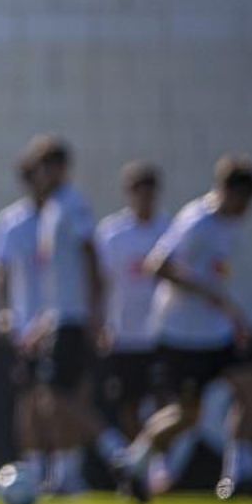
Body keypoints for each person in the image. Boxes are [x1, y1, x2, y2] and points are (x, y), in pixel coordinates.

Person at [115, 155, 252, 502]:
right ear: (229, 192)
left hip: (216, 334)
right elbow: (158, 266)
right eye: (244, 199)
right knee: (187, 416)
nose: (247, 208)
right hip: (181, 335)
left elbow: (220, 278)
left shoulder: (231, 225)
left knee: (251, 388)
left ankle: (237, 474)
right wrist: (210, 295)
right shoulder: (196, 221)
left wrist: (233, 315)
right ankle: (134, 461)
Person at [26, 136, 128, 495]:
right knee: (61, 397)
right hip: (60, 317)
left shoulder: (72, 205)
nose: (42, 175)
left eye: (48, 167)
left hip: (75, 317)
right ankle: (66, 475)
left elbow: (91, 259)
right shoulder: (53, 208)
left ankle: (115, 448)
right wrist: (45, 319)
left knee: (54, 394)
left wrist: (95, 314)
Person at [93, 162, 168, 439]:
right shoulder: (112, 233)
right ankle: (139, 463)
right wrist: (100, 322)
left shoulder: (169, 230)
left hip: (160, 334)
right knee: (129, 403)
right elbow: (99, 282)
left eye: (149, 193)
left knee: (163, 401)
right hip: (123, 333)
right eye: (138, 192)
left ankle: (159, 461)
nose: (144, 199)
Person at [0, 162, 49, 485]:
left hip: (62, 322)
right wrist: (4, 312)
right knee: (29, 398)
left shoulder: (68, 214)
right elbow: (0, 270)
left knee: (64, 397)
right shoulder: (13, 222)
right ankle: (34, 470)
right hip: (26, 326)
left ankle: (67, 471)